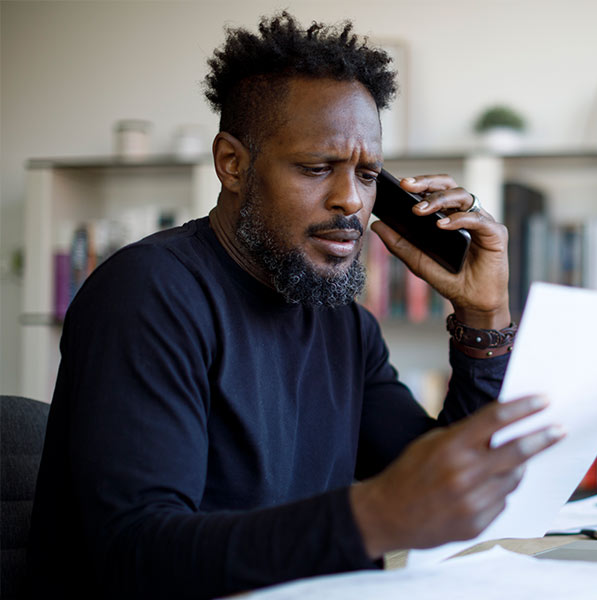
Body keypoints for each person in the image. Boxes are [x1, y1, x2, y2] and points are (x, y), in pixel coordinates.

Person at [27, 12, 563, 599]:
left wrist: (483, 316)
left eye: (367, 174)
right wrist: (370, 517)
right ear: (232, 163)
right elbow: (136, 554)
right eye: (316, 168)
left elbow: (445, 499)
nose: (350, 201)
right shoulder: (148, 294)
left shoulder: (345, 326)